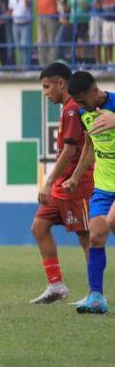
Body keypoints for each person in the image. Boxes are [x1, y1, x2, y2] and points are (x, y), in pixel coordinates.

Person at [30, 63, 93, 305]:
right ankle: (56, 284)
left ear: (61, 83)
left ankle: (94, 292)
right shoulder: (67, 109)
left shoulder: (72, 109)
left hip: (76, 185)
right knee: (39, 227)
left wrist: (48, 183)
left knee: (86, 237)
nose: (45, 93)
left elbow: (69, 151)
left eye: (47, 87)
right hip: (62, 186)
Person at [65, 71, 115, 315]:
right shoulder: (85, 113)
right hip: (104, 187)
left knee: (112, 222)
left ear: (95, 91)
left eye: (83, 101)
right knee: (95, 236)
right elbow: (89, 146)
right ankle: (96, 296)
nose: (81, 107)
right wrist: (75, 178)